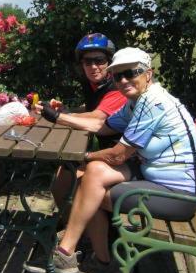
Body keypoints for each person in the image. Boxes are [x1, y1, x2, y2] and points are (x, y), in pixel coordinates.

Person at [25, 47, 196, 273]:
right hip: (155, 175)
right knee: (93, 174)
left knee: (89, 186)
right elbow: (102, 125)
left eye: (130, 73)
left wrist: (85, 156)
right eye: (117, 76)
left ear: (148, 74)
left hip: (180, 195)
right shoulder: (136, 102)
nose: (123, 80)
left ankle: (71, 253)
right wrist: (57, 117)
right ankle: (91, 259)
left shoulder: (154, 102)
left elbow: (118, 155)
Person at [34, 33, 128, 212]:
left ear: (109, 62)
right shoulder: (95, 84)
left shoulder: (118, 87)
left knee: (68, 178)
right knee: (62, 177)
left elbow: (97, 117)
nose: (93, 66)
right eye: (87, 62)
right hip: (107, 150)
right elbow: (91, 108)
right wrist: (68, 110)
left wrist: (56, 116)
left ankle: (81, 230)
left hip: (123, 156)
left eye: (99, 60)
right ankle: (70, 223)